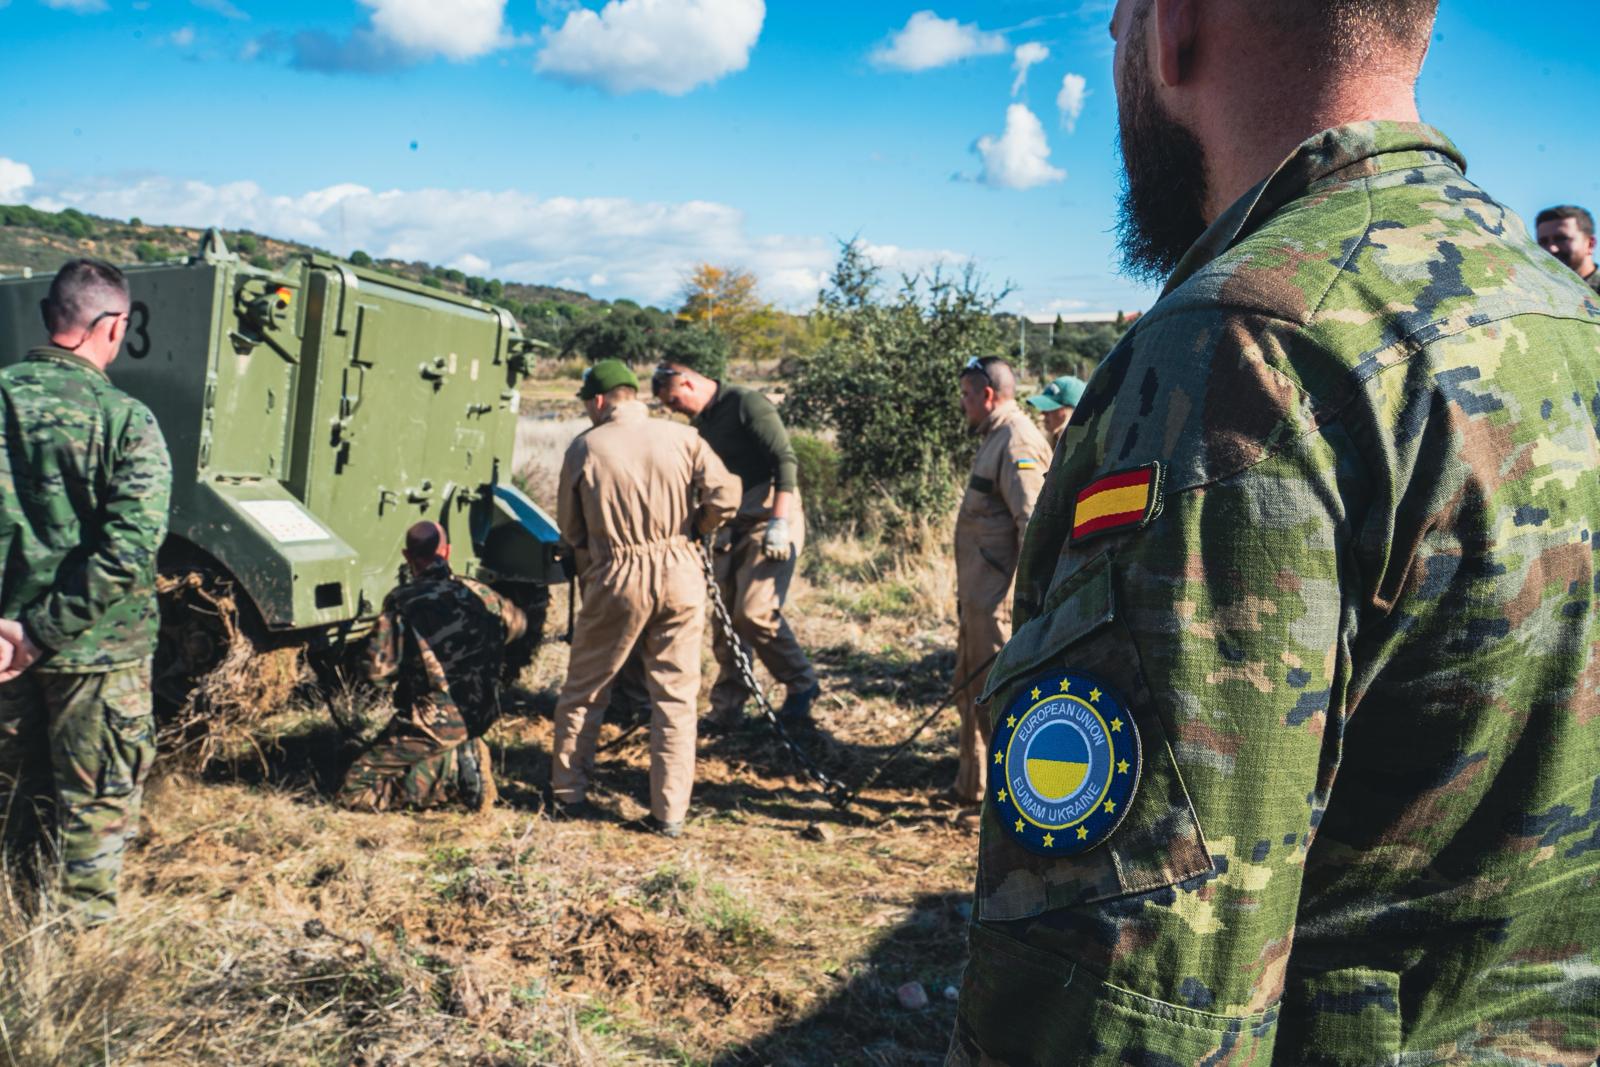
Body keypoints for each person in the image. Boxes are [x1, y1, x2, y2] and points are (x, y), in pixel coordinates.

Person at [951, 0, 1600, 1063]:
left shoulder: (1243, 351)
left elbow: (1136, 995)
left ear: (1170, 28)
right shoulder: (1560, 310)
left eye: (1113, 23)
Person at [0, 259, 172, 925]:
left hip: (4, 652)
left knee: (13, 807)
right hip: (97, 661)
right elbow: (129, 550)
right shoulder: (126, 421)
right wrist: (43, 630)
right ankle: (77, 979)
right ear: (113, 326)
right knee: (91, 820)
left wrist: (15, 631)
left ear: (49, 319)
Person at [549, 360, 739, 837]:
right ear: (633, 393)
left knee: (585, 690)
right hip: (681, 569)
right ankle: (669, 813)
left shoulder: (584, 448)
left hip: (618, 573)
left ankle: (568, 793)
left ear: (597, 401)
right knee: (675, 698)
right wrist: (696, 527)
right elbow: (726, 495)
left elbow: (571, 531)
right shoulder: (683, 437)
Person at [651, 337, 820, 726]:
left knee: (754, 613)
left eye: (673, 402)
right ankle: (728, 709)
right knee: (725, 621)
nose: (673, 411)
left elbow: (784, 461)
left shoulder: (746, 403)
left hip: (770, 518)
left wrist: (779, 522)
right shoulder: (703, 422)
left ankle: (801, 683)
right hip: (732, 524)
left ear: (688, 382)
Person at [339, 521, 526, 813]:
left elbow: (377, 673)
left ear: (406, 555)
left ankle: (457, 775)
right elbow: (518, 625)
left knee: (355, 791)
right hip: (481, 711)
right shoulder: (480, 592)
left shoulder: (403, 600)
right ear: (447, 551)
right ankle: (460, 753)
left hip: (435, 722)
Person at [950, 356, 1051, 812]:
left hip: (999, 606)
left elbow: (1034, 527)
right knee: (970, 696)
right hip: (978, 601)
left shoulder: (1016, 441)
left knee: (998, 706)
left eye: (968, 396)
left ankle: (1013, 805)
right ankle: (975, 791)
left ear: (988, 395)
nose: (964, 405)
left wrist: (1031, 608)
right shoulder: (995, 436)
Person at [1536, 204, 1600, 295]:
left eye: (1562, 239)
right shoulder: (1536, 293)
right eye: (1543, 241)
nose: (1552, 249)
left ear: (1590, 244)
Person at [1023, 374, 1086, 448]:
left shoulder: (1080, 449)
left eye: (1049, 408)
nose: (1042, 413)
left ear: (1068, 413)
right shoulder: (1055, 442)